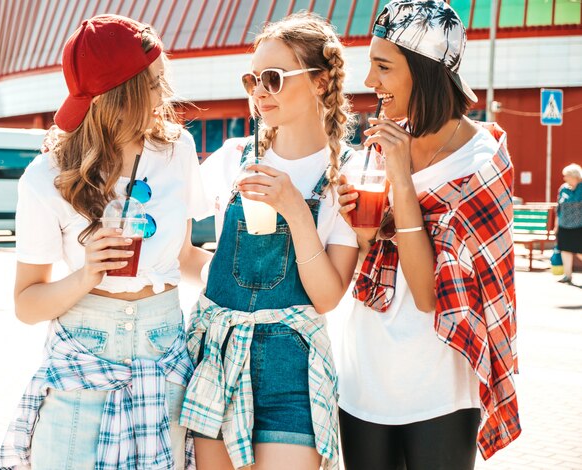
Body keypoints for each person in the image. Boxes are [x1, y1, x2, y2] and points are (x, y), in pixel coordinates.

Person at [0, 14, 210, 469]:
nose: (164, 94)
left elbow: (185, 256)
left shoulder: (178, 151)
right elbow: (27, 303)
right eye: (152, 83)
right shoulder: (46, 177)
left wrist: (238, 278)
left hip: (163, 354)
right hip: (83, 359)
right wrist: (87, 273)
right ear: (120, 95)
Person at [336, 1, 521, 468]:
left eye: (383, 67)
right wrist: (360, 222)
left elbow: (425, 293)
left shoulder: (481, 163)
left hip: (441, 388)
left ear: (424, 70)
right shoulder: (382, 143)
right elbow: (366, 256)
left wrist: (401, 179)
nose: (370, 82)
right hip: (366, 375)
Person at [179, 12, 359, 470]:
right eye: (252, 78)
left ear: (320, 82)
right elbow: (178, 253)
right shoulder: (232, 159)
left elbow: (327, 296)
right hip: (217, 363)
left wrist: (297, 210)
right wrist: (210, 269)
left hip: (292, 372)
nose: (259, 91)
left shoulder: (346, 176)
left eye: (274, 78)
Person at [556, 163, 582, 284]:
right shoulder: (563, 188)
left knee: (580, 251)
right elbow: (559, 208)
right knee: (565, 250)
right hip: (564, 225)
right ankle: (567, 276)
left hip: (579, 226)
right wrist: (556, 225)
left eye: (566, 176)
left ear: (574, 176)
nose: (564, 178)